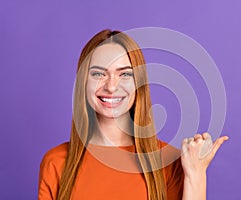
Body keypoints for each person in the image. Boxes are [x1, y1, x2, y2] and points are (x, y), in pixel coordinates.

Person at [38, 29, 229, 200]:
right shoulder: (56, 162)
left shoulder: (169, 161)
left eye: (125, 74)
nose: (111, 86)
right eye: (98, 74)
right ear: (82, 83)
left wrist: (196, 173)